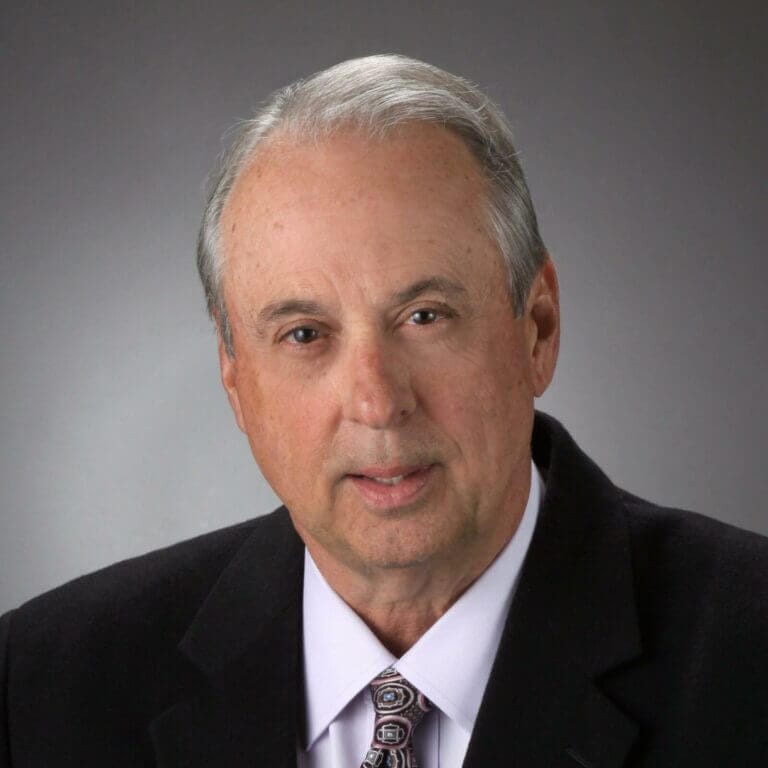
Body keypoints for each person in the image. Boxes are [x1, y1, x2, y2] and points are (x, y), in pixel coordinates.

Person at [1, 54, 766, 768]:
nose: (376, 402)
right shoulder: (41, 684)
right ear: (234, 377)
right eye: (304, 334)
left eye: (425, 317)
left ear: (536, 329)